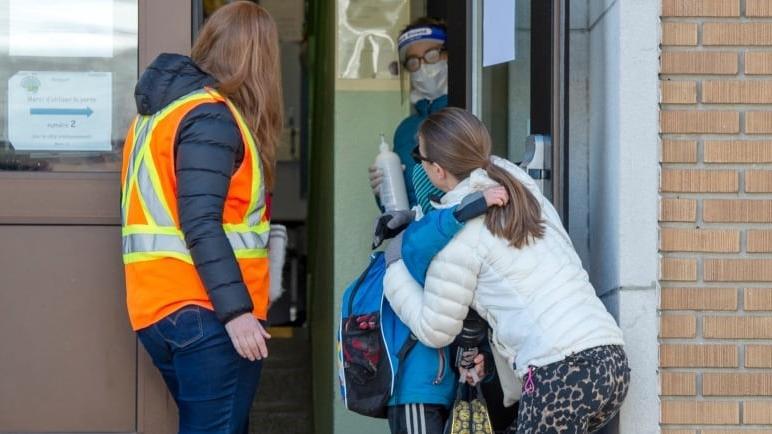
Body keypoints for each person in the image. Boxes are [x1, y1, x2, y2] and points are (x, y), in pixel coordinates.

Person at [383, 108, 630, 433]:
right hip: (610, 361)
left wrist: (395, 271)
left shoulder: (459, 241)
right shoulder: (522, 190)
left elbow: (435, 328)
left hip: (560, 372)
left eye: (420, 156)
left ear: (438, 170)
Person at [119, 3, 282, 433]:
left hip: (158, 309)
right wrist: (236, 313)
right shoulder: (210, 116)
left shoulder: (156, 116)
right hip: (205, 313)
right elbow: (201, 221)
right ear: (258, 59)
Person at [369, 17, 448, 213]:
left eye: (431, 55)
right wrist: (383, 193)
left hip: (456, 232)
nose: (422, 67)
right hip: (417, 235)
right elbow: (399, 208)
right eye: (413, 61)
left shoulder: (465, 116)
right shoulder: (406, 130)